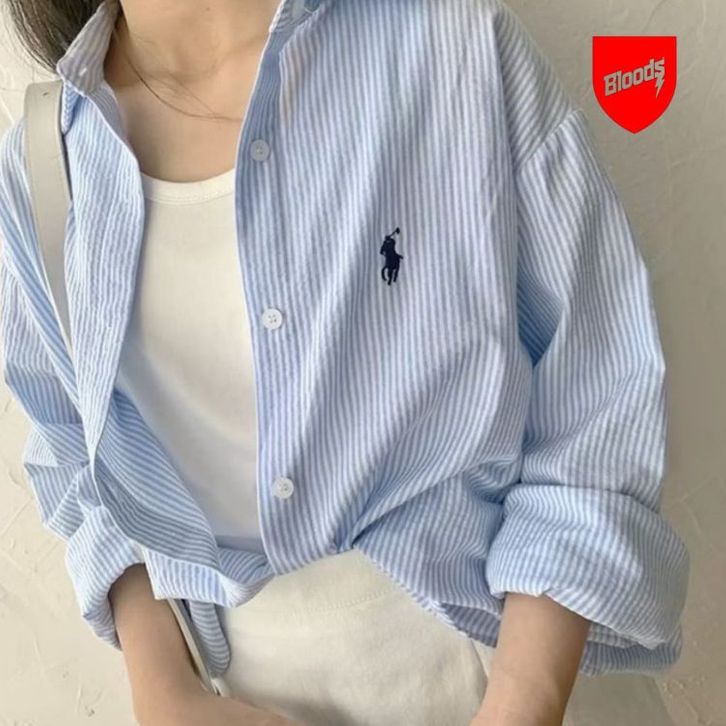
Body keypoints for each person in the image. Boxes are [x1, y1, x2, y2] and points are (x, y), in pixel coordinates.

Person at [0, 0, 689, 724]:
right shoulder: (45, 167)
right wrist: (165, 694)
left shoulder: (447, 43)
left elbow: (599, 392)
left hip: (515, 662)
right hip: (256, 692)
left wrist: (525, 701)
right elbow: (78, 456)